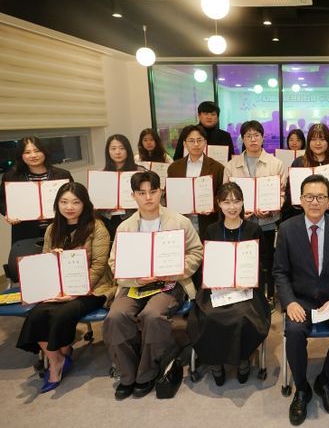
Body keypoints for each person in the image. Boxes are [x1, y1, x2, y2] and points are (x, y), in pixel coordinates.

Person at [103, 171, 203, 400]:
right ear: (133, 196)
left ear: (161, 192)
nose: (148, 197)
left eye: (153, 191)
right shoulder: (125, 227)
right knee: (115, 317)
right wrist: (136, 278)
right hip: (134, 284)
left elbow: (196, 252)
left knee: (153, 315)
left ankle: (147, 372)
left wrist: (175, 270)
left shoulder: (179, 221)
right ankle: (128, 374)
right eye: (142, 193)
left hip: (170, 283)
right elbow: (114, 262)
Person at [273, 175, 329, 425]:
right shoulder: (287, 229)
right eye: (309, 196)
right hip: (301, 299)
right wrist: (289, 302)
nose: (314, 202)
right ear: (300, 200)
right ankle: (302, 388)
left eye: (320, 197)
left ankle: (325, 381)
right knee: (294, 331)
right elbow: (280, 272)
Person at [16, 182, 115, 392]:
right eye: (64, 202)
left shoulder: (97, 227)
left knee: (62, 314)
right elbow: (44, 262)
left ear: (85, 204)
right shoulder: (53, 229)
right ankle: (57, 359)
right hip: (58, 288)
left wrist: (74, 292)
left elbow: (99, 266)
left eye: (75, 202)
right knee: (36, 315)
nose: (69, 207)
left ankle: (59, 360)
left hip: (92, 288)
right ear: (57, 204)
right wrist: (52, 260)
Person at [187, 182, 270, 386]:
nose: (232, 207)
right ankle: (215, 363)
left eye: (236, 201)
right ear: (219, 204)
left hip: (247, 289)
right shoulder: (211, 230)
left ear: (243, 203)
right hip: (217, 288)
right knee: (210, 316)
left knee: (242, 315)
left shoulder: (254, 230)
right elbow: (206, 264)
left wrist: (249, 280)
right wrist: (214, 281)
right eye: (226, 202)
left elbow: (263, 264)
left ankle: (243, 359)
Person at [223, 120, 286, 306]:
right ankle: (245, 296)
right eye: (248, 136)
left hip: (268, 222)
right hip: (240, 222)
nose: (253, 139)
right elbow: (226, 194)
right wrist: (238, 212)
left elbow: (282, 193)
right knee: (244, 260)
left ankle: (269, 296)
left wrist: (272, 207)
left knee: (268, 260)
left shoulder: (276, 164)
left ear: (263, 137)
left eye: (256, 135)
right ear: (242, 139)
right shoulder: (231, 165)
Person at [0, 136, 73, 245]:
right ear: (21, 155)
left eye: (37, 151)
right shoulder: (11, 177)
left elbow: (74, 197)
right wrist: (7, 213)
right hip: (25, 231)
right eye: (27, 152)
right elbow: (1, 200)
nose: (33, 155)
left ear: (44, 152)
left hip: (58, 229)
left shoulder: (62, 175)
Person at [282, 123, 329, 221]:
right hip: (301, 215)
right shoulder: (299, 163)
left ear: (328, 141)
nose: (318, 143)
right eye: (313, 139)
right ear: (308, 142)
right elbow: (289, 191)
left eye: (322, 139)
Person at [167, 125, 224, 239]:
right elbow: (169, 194)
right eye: (191, 141)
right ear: (185, 144)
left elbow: (221, 195)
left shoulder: (217, 167)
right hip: (182, 220)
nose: (196, 144)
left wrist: (211, 206)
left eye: (199, 140)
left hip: (207, 221)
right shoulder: (174, 168)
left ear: (205, 142)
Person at [100, 134, 145, 239]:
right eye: (113, 148)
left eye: (122, 148)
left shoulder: (140, 171)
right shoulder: (101, 174)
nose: (117, 152)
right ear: (108, 151)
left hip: (133, 217)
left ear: (128, 150)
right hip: (108, 219)